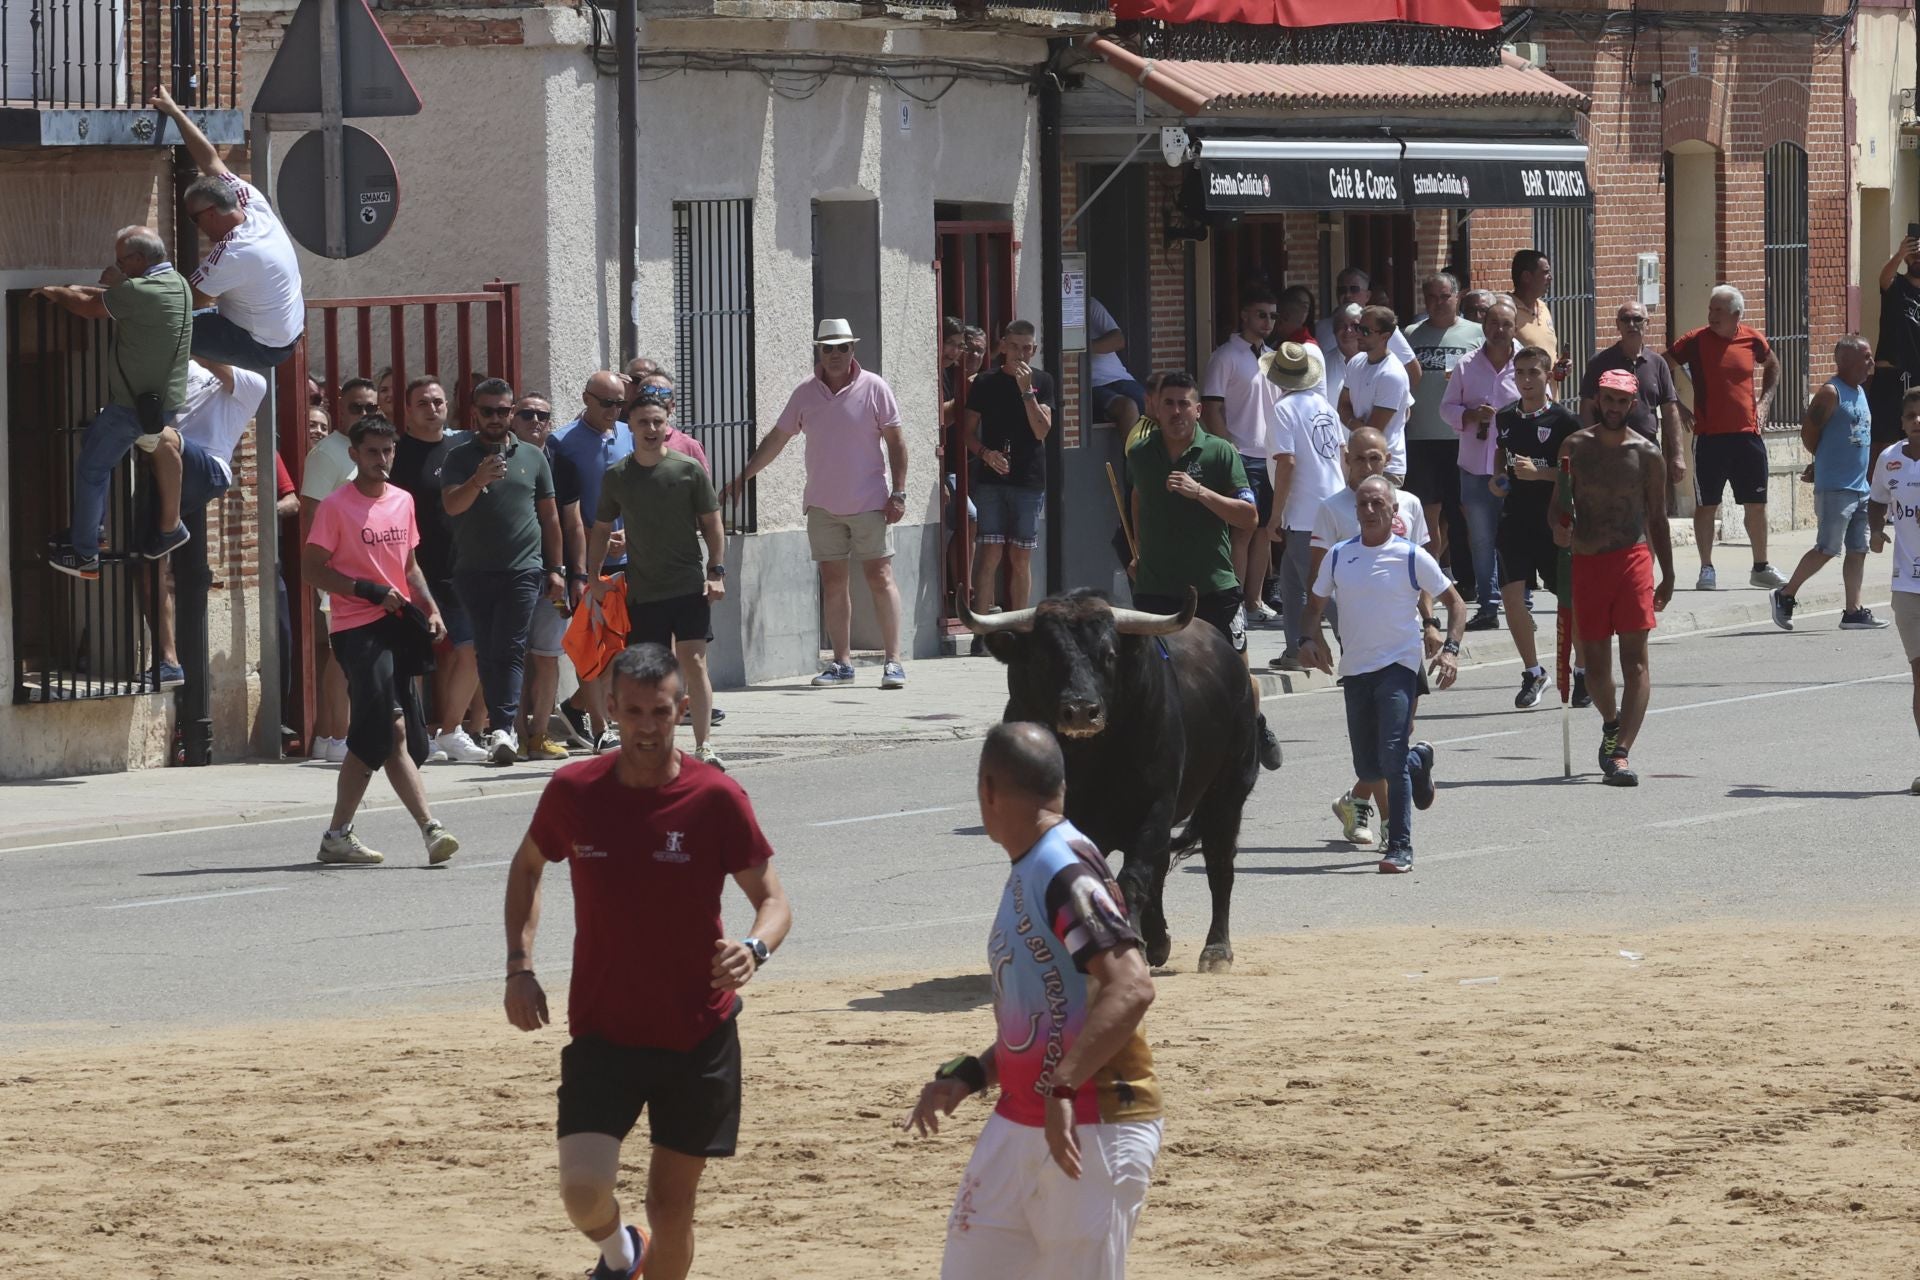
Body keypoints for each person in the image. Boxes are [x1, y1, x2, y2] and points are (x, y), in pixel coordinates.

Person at [503, 643, 791, 1280]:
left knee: (672, 1207)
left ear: (682, 710)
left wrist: (754, 948)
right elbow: (526, 868)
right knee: (581, 1189)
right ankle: (620, 1254)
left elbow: (772, 899)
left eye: (660, 712)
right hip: (606, 1031)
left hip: (698, 1036)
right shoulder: (574, 790)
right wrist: (519, 966)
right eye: (633, 712)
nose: (647, 726)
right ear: (611, 709)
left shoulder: (715, 797)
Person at [905, 722, 1161, 1280]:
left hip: (1091, 1125)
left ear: (988, 790)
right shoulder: (1035, 866)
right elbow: (1049, 1016)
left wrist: (1064, 1086)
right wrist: (972, 1073)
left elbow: (1132, 984)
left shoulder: (1063, 869)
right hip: (1025, 1119)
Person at [302, 414, 461, 866]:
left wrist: (430, 608)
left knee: (395, 738)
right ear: (354, 455)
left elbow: (409, 568)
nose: (382, 459)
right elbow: (312, 569)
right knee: (388, 731)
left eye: (387, 450)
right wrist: (366, 590)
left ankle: (337, 834)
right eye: (372, 451)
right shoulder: (336, 506)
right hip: (356, 628)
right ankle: (431, 829)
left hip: (398, 626)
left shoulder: (403, 501)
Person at [723, 319, 910, 689]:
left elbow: (897, 443)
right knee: (833, 581)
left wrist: (899, 493)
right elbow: (777, 438)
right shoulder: (806, 393)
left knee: (880, 577)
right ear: (819, 352)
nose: (836, 355)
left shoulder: (875, 387)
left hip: (871, 501)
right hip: (822, 506)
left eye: (842, 347)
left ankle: (894, 661)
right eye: (829, 348)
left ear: (853, 350)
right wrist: (744, 476)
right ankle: (841, 664)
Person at [1298, 476, 1467, 873]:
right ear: (1355, 512)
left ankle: (1401, 846)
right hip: (1355, 670)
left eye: (1378, 504)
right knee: (1369, 768)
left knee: (1389, 754)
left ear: (1394, 511)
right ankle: (1418, 760)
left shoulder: (1410, 556)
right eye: (1363, 505)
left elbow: (1455, 603)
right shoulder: (1340, 555)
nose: (1370, 511)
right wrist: (1309, 638)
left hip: (1398, 666)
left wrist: (1451, 649)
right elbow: (1314, 604)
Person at [1127, 372, 1285, 770]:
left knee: (1238, 678)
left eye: (1185, 404)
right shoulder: (1141, 453)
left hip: (1214, 587)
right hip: (1156, 589)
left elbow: (1248, 517)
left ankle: (1254, 724)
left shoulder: (1220, 453)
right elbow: (1137, 498)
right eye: (1169, 403)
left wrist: (1200, 493)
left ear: (1199, 409)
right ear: (1155, 409)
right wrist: (1138, 550)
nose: (1177, 411)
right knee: (1155, 681)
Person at [37, 225, 193, 578]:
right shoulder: (176, 283)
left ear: (138, 259)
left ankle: (85, 555)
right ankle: (93, 532)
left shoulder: (139, 289)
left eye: (122, 261)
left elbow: (91, 309)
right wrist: (104, 286)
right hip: (155, 403)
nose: (118, 265)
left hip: (131, 408)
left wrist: (54, 292)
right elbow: (120, 297)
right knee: (92, 441)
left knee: (91, 470)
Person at [587, 388, 729, 769]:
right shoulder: (618, 476)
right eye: (642, 422)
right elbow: (601, 529)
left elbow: (714, 525)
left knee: (693, 662)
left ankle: (704, 746)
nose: (651, 428)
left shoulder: (687, 469)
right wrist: (593, 577)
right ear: (628, 427)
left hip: (687, 586)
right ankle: (653, 745)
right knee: (647, 673)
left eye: (657, 421)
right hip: (643, 590)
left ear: (668, 425)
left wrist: (716, 572)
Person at [1553, 370, 1677, 787]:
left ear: (1634, 404)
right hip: (1587, 561)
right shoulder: (1574, 447)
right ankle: (1611, 722)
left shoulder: (1647, 454)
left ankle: (1621, 753)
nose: (1614, 408)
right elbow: (1558, 506)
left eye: (1622, 401)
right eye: (1608, 399)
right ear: (1596, 400)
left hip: (1632, 559)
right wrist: (1558, 528)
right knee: (1596, 666)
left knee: (1636, 659)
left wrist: (1669, 574)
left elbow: (1658, 518)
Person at [442, 378, 564, 765]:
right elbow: (452, 507)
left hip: (523, 569)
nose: (496, 418)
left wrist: (557, 568)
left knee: (510, 647)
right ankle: (500, 726)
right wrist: (478, 480)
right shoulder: (459, 457)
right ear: (475, 413)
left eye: (503, 411)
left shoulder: (533, 456)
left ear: (512, 413)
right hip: (473, 570)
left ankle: (503, 728)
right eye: (488, 411)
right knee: (485, 649)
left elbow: (550, 517)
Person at [151, 87, 304, 372]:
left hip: (261, 346)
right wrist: (174, 112)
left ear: (210, 213)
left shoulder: (232, 251)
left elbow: (186, 301)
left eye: (194, 220)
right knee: (180, 324)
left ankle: (155, 409)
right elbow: (210, 160)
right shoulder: (250, 201)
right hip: (282, 330)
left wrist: (129, 288)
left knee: (159, 327)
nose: (196, 228)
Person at [390, 377, 486, 763]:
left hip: (459, 568)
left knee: (471, 651)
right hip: (411, 569)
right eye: (424, 403)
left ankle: (450, 731)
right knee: (414, 657)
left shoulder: (461, 451)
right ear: (409, 411)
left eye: (438, 402)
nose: (433, 408)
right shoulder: (396, 454)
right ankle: (418, 736)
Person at [1665, 285, 1786, 590]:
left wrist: (1765, 400)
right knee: (1707, 506)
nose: (1712, 316)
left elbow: (1773, 364)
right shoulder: (1694, 341)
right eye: (1710, 309)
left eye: (1718, 311)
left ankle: (1760, 566)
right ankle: (1707, 568)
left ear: (1736, 314)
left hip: (1747, 436)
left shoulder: (1751, 338)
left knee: (1756, 504)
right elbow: (1661, 366)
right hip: (1709, 438)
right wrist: (1677, 405)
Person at [1771, 337, 1889, 632]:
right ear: (1847, 361)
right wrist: (1821, 462)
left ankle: (1853, 611)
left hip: (1860, 485)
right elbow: (1809, 433)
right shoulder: (1830, 393)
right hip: (1837, 486)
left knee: (1858, 548)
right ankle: (1785, 594)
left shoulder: (1860, 391)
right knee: (1827, 548)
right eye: (1866, 357)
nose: (1871, 362)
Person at [1492, 346, 1584, 707]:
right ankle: (1533, 672)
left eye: (1534, 373)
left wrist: (1541, 473)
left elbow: (1578, 475)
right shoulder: (1505, 418)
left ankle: (1582, 672)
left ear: (1548, 376)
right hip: (1514, 520)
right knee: (1512, 596)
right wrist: (1498, 478)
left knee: (1568, 600)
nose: (1526, 380)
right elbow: (1502, 459)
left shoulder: (1565, 421)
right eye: (1520, 373)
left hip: (1554, 521)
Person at [553, 370, 638, 750]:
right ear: (586, 399)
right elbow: (559, 509)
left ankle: (574, 708)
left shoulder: (629, 435)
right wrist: (595, 539)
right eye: (607, 403)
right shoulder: (562, 442)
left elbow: (641, 492)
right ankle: (601, 727)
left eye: (621, 403)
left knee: (619, 648)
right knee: (592, 645)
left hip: (627, 556)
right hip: (587, 560)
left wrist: (630, 534)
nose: (614, 410)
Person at [1202, 286, 1282, 628]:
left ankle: (1255, 600)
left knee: (1266, 530)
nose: (1267, 322)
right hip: (1241, 455)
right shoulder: (1224, 356)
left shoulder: (1275, 357)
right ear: (1245, 316)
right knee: (1242, 531)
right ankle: (1233, 604)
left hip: (1272, 455)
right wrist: (1226, 447)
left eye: (1273, 316)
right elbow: (1211, 406)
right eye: (1261, 314)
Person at [1263, 344, 1346, 672]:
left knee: (1319, 586)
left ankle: (1353, 647)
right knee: (1292, 583)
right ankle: (1296, 649)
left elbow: (1287, 464)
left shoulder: (1284, 410)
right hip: (1331, 504)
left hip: (1304, 512)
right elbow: (1341, 454)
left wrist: (1275, 515)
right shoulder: (1324, 405)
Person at [967, 319, 1056, 618]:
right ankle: (981, 626)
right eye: (1014, 347)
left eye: (1027, 349)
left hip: (1028, 480)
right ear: (1003, 345)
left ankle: (1020, 627)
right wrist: (986, 453)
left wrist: (1026, 392)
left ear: (1035, 349)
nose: (1020, 354)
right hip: (992, 479)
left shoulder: (1043, 382)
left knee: (1020, 557)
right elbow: (966, 433)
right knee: (989, 552)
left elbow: (1042, 431)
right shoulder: (985, 382)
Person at [1441, 297, 1521, 629]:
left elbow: (1542, 404)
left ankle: (1520, 604)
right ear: (1483, 326)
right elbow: (1446, 409)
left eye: (1505, 324)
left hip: (1515, 468)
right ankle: (1489, 607)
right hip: (1474, 467)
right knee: (1481, 537)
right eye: (1493, 324)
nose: (1499, 330)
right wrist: (1470, 415)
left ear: (1514, 328)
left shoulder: (1527, 364)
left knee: (1516, 536)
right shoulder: (1466, 365)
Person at [506, 392, 577, 760]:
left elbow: (570, 522)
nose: (535, 421)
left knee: (548, 656)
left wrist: (571, 572)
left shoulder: (562, 461)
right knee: (514, 655)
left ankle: (538, 736)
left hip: (554, 575)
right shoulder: (499, 458)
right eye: (527, 414)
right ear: (512, 419)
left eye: (543, 416)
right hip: (512, 573)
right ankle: (515, 736)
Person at [1403, 273, 1485, 575]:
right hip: (1420, 437)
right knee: (1427, 513)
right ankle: (1431, 575)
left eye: (1444, 296)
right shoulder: (1410, 334)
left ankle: (1468, 575)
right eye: (1431, 297)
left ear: (1457, 297)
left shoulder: (1477, 333)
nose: (1437, 303)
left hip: (1461, 437)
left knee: (1462, 510)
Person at [1868, 388, 1920, 795]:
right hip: (1907, 585)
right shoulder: (1890, 460)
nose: (1916, 421)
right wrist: (1875, 531)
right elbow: (1876, 501)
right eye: (1910, 415)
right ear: (1901, 421)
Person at [1579, 300, 1685, 485]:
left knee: (1651, 510)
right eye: (1625, 319)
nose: (1631, 324)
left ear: (1647, 323)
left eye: (1637, 319)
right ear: (1617, 324)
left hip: (1648, 451)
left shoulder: (1658, 363)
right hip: (1609, 452)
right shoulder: (1599, 362)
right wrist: (1592, 447)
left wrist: (1678, 455)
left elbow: (1670, 411)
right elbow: (1587, 408)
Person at [1339, 306, 1414, 485]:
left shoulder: (1392, 374)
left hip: (1385, 468)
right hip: (1358, 463)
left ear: (1385, 337)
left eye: (1366, 331)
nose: (1358, 334)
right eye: (1358, 328)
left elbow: (1373, 431)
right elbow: (1342, 405)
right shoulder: (1356, 362)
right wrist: (1355, 424)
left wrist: (1353, 424)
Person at [1315, 267, 1421, 392]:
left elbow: (1414, 372)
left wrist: (1395, 400)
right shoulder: (1322, 327)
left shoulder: (1384, 327)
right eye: (1342, 290)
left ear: (1367, 295)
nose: (1348, 295)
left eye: (1354, 289)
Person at [1870, 234, 1920, 469]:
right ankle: (1876, 496)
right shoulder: (1896, 285)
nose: (1917, 257)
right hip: (1891, 377)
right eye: (1914, 253)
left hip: (1917, 378)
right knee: (1882, 442)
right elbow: (1884, 278)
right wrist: (1900, 254)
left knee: (1915, 438)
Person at [1086, 297, 1148, 433]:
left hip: (1120, 378)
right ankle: (1132, 455)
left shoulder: (1088, 304)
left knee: (1155, 405)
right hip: (1090, 385)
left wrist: (1084, 347)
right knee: (1127, 407)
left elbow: (1118, 340)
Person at [1509, 251, 1571, 384]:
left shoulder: (1543, 308)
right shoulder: (1507, 311)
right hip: (1523, 400)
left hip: (1549, 400)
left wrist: (1559, 366)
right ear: (1526, 277)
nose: (1550, 278)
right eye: (1545, 272)